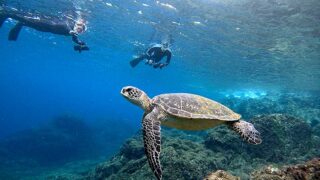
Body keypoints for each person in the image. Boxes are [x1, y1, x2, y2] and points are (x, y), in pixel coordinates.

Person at [0, 6, 89, 52]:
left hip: (45, 28)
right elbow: (67, 27)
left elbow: (74, 36)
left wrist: (79, 42)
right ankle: (4, 12)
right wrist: (70, 31)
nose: (79, 29)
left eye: (82, 30)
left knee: (25, 22)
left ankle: (16, 22)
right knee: (22, 17)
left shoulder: (73, 32)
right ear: (78, 23)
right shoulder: (69, 24)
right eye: (80, 27)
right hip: (47, 23)